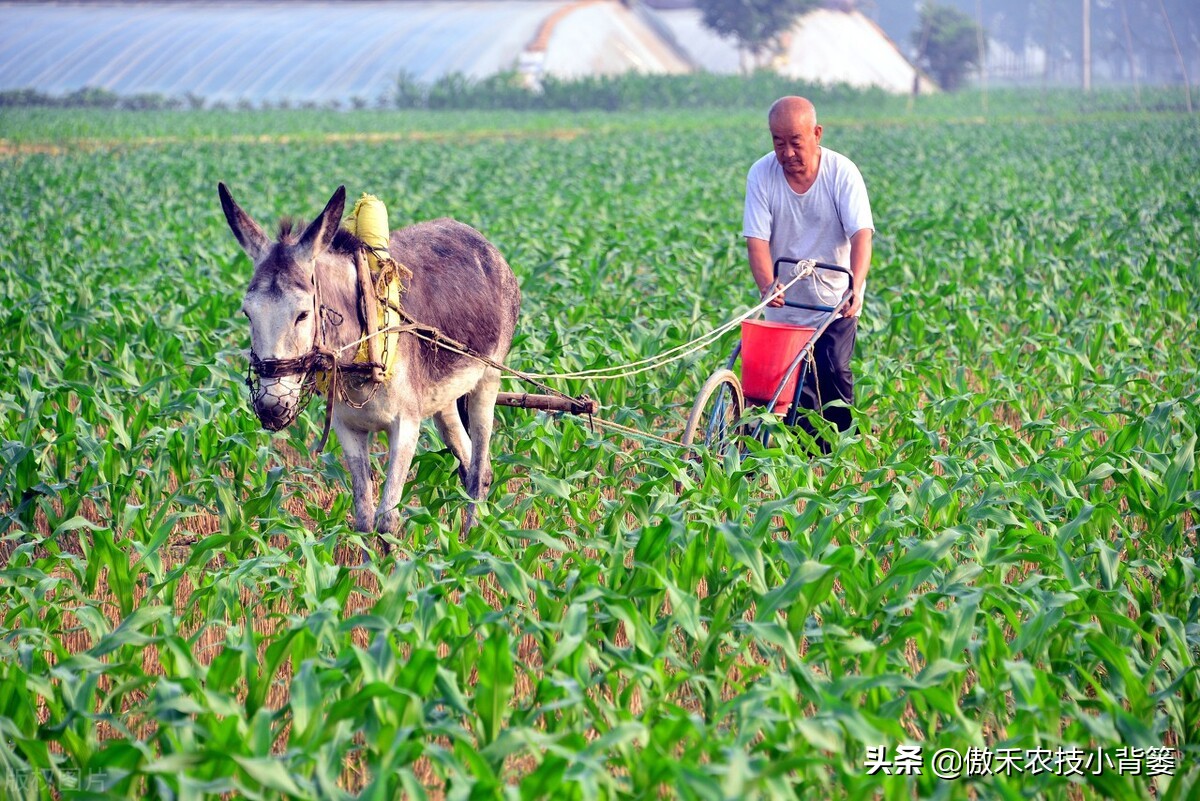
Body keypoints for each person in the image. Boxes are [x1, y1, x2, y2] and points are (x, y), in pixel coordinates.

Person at [742, 95, 874, 451]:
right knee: (785, 391)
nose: (786, 153)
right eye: (777, 142)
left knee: (833, 373)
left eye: (795, 142)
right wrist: (767, 283)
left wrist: (856, 287)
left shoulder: (841, 173)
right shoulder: (761, 174)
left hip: (835, 301)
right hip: (784, 305)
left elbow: (862, 235)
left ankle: (843, 454)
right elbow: (757, 241)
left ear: (817, 134)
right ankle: (787, 458)